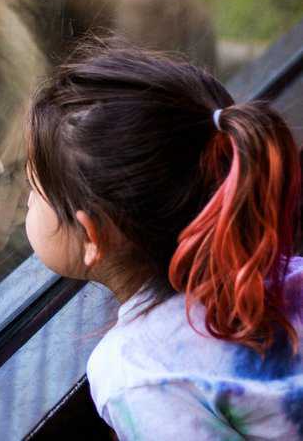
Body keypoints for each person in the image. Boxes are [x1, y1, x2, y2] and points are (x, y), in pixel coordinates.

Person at [24, 43, 303, 439]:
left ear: (90, 236)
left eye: (34, 189)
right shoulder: (285, 275)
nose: (28, 200)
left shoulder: (138, 373)